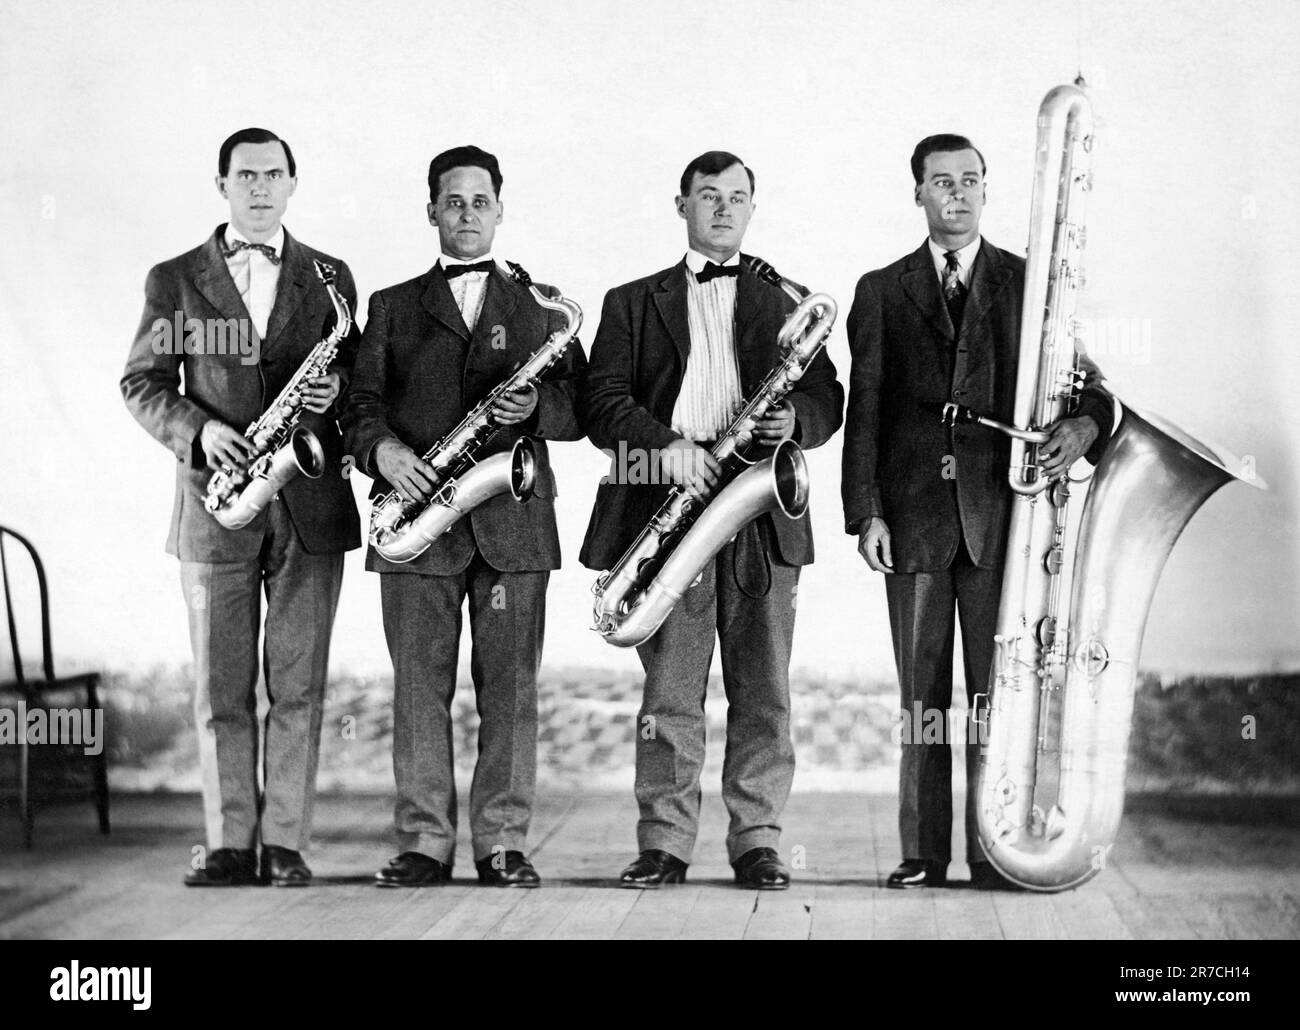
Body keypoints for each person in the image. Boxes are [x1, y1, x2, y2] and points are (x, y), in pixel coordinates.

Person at [841, 134, 1113, 889]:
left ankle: (997, 852)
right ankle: (923, 855)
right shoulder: (879, 290)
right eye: (940, 183)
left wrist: (1084, 425)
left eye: (969, 181)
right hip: (914, 523)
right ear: (917, 194)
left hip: (1005, 526)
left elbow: (1090, 388)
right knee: (921, 701)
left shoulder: (1032, 285)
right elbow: (864, 410)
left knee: (1002, 698)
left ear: (987, 189)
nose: (956, 194)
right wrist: (866, 513)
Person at [580, 151, 843, 890]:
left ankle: (757, 839)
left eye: (736, 198)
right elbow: (602, 402)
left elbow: (830, 398)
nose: (723, 209)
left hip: (761, 510)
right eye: (708, 196)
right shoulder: (630, 301)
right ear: (681, 205)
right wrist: (665, 450)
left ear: (752, 208)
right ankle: (664, 842)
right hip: (669, 509)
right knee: (669, 695)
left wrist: (795, 417)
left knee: (764, 688)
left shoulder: (783, 298)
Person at [121, 127, 360, 887]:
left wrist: (338, 396)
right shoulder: (175, 278)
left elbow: (361, 385)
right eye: (245, 175)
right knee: (220, 686)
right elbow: (142, 383)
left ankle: (284, 842)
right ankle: (229, 842)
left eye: (273, 174)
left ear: (293, 182)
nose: (260, 188)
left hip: (308, 501)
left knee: (300, 684)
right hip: (215, 503)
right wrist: (201, 430)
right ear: (221, 184)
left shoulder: (331, 275)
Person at [342, 145, 585, 889]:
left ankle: (503, 842)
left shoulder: (546, 310)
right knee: (419, 689)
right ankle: (424, 843)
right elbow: (358, 410)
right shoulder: (388, 306)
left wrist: (539, 408)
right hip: (416, 518)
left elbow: (585, 412)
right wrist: (382, 453)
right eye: (454, 202)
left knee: (511, 689)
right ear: (431, 212)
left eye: (481, 201)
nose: (468, 214)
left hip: (511, 519)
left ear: (500, 210)